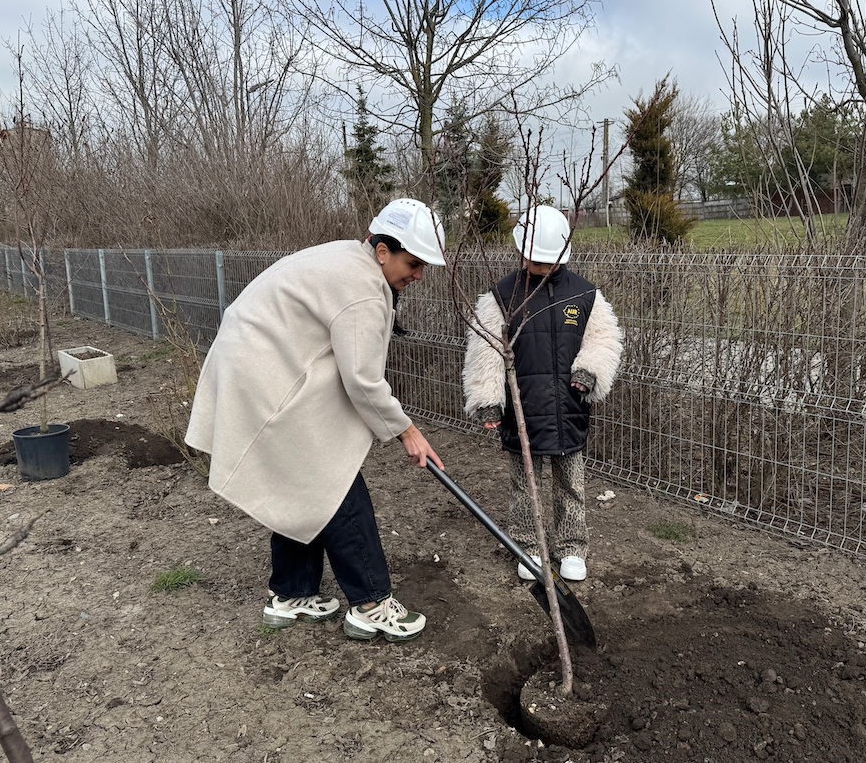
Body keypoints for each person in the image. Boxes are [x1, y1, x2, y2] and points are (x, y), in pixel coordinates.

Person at [186, 198, 445, 643]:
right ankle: (372, 604)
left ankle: (292, 594)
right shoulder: (362, 289)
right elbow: (362, 380)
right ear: (383, 250)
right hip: (263, 373)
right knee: (333, 481)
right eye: (414, 264)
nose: (418, 275)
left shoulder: (350, 258)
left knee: (300, 482)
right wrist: (408, 431)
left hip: (257, 363)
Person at [462, 205, 623, 582]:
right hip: (523, 410)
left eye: (548, 261)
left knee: (571, 484)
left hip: (569, 408)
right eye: (534, 260)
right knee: (524, 485)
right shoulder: (502, 296)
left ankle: (572, 547)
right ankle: (527, 546)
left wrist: (589, 371)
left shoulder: (585, 296)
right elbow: (484, 348)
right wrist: (488, 398)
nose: (541, 266)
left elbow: (604, 339)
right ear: (522, 252)